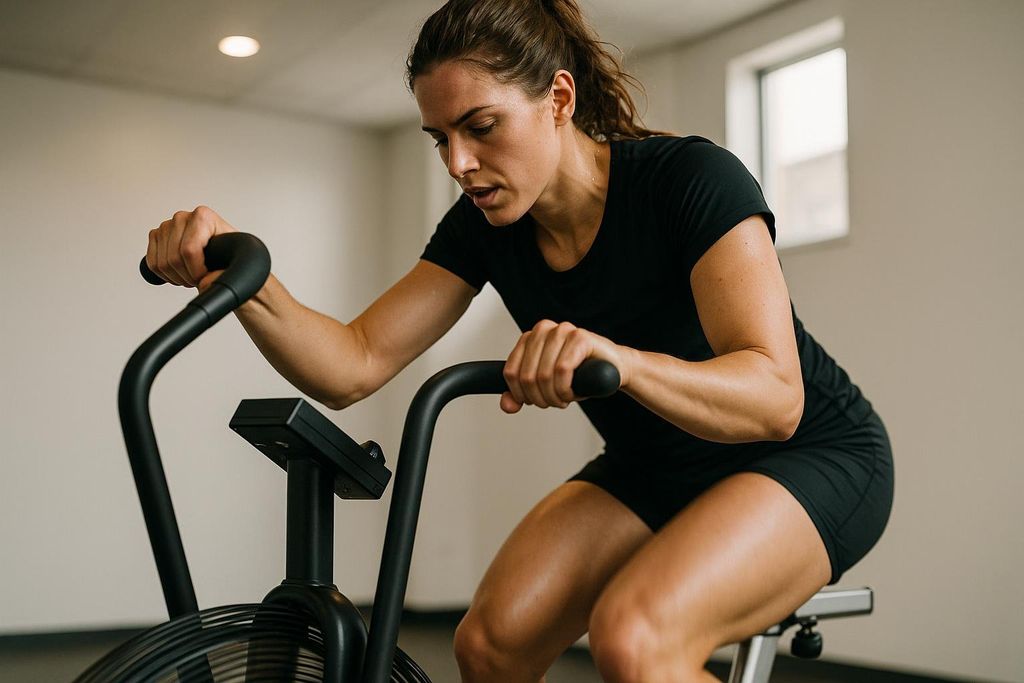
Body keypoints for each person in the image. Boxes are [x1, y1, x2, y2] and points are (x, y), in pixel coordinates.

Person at [145, 1, 894, 680]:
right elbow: (353, 361)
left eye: (481, 126)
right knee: (489, 642)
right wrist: (239, 275)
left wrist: (617, 359)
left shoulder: (690, 180)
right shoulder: (486, 229)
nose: (458, 165)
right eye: (441, 139)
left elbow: (776, 397)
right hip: (656, 465)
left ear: (558, 100)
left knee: (634, 638)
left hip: (810, 456)